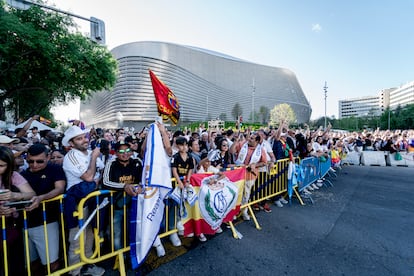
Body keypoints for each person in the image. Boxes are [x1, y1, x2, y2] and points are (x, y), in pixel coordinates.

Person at [62, 126, 105, 276]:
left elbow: (101, 170)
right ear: (71, 143)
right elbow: (88, 177)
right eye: (79, 138)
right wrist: (94, 157)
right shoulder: (71, 156)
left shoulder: (89, 153)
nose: (84, 140)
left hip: (91, 199)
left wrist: (94, 159)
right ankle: (75, 272)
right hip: (77, 203)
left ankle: (87, 264)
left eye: (84, 136)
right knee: (76, 238)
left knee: (90, 233)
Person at [21, 143, 66, 274]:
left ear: (47, 157)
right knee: (31, 263)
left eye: (39, 161)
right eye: (30, 161)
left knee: (51, 263)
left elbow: (59, 188)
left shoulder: (55, 169)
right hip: (25, 223)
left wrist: (41, 198)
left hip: (47, 221)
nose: (34, 165)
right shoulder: (22, 174)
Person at [0, 146, 36, 276]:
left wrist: (15, 196)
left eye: (1, 166)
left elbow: (31, 193)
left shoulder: (13, 176)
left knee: (14, 263)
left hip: (10, 225)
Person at [102, 141, 143, 251]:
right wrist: (124, 186)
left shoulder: (137, 162)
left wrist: (140, 186)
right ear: (116, 153)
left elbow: (144, 179)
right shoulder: (111, 163)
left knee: (134, 229)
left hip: (134, 204)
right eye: (121, 151)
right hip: (116, 206)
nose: (125, 153)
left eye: (127, 150)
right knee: (117, 233)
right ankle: (120, 257)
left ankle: (134, 253)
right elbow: (105, 182)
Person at [231, 132, 268, 221]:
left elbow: (264, 162)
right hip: (238, 175)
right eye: (250, 137)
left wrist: (255, 165)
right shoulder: (242, 145)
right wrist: (235, 141)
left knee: (245, 195)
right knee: (236, 194)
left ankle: (243, 212)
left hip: (250, 176)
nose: (249, 139)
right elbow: (232, 151)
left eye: (252, 138)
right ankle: (233, 212)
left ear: (257, 141)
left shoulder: (261, 150)